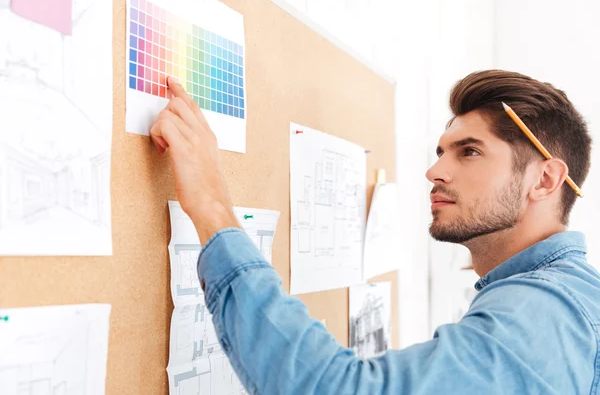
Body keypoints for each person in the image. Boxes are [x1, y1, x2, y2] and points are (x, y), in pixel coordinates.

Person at [150, 70, 600, 394]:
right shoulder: (558, 298)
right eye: (441, 151)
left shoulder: (545, 312)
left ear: (544, 180)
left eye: (469, 151)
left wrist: (211, 205)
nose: (434, 171)